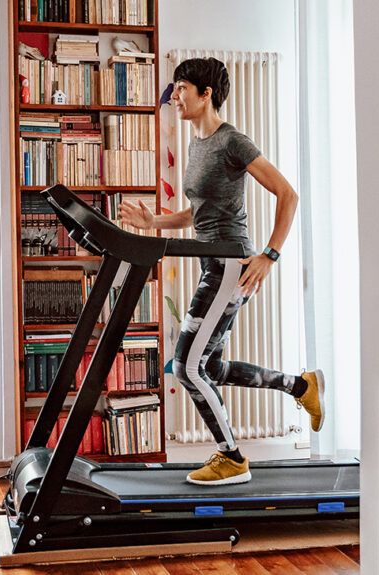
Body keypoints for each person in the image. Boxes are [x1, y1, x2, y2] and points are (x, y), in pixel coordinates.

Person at [118, 57, 325, 486]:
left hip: (232, 264)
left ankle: (231, 457)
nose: (174, 96)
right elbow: (199, 213)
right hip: (212, 262)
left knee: (185, 366)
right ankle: (301, 387)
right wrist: (154, 223)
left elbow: (288, 193)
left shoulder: (232, 141)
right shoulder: (196, 145)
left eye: (181, 88)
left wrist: (270, 254)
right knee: (208, 366)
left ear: (205, 93)